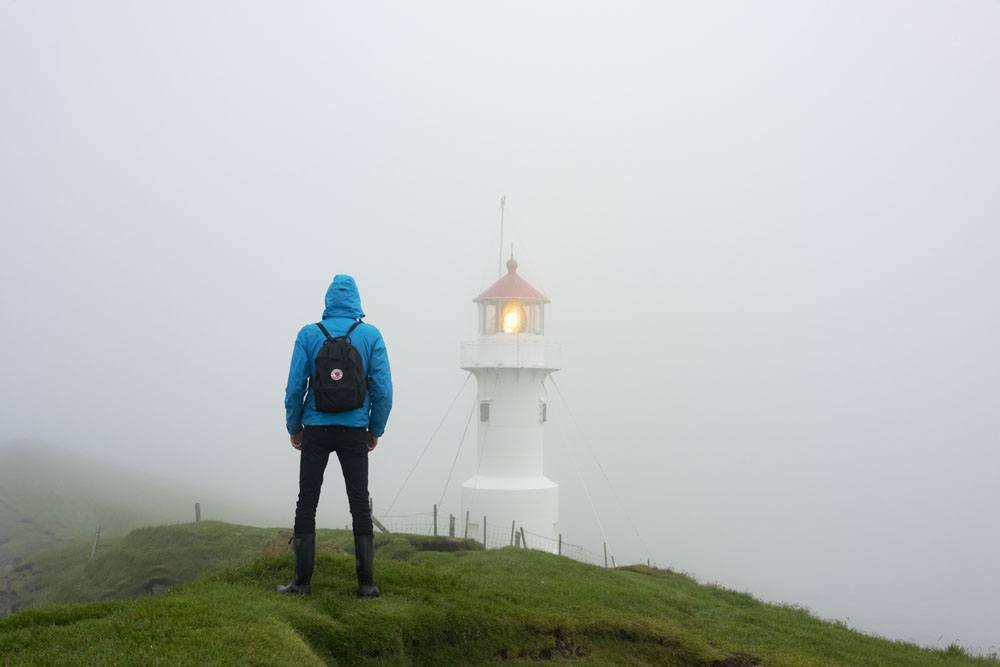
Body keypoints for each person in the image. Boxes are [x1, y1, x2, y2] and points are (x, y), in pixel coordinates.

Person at [278, 274, 392, 597]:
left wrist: (294, 426)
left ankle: (301, 583)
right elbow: (383, 389)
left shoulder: (310, 334)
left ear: (328, 300)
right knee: (359, 503)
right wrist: (374, 429)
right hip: (355, 430)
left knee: (307, 502)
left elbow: (294, 387)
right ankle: (366, 585)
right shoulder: (370, 335)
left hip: (316, 428)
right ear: (357, 301)